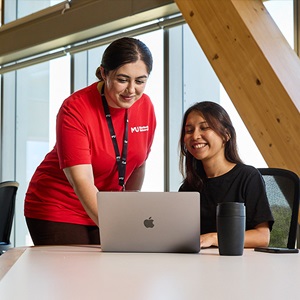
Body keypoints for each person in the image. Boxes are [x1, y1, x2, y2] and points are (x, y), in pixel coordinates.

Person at [24, 37, 156, 245]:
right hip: (60, 205)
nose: (131, 90)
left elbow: (138, 163)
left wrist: (129, 213)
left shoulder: (145, 106)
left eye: (140, 81)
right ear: (104, 73)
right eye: (122, 79)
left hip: (105, 207)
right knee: (79, 274)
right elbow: (82, 180)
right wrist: (118, 229)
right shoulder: (75, 109)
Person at [178, 101, 274, 248]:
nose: (195, 136)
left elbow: (262, 236)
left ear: (226, 135)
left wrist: (214, 238)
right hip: (199, 265)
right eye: (189, 130)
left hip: (239, 265)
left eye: (204, 128)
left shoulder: (247, 177)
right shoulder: (189, 187)